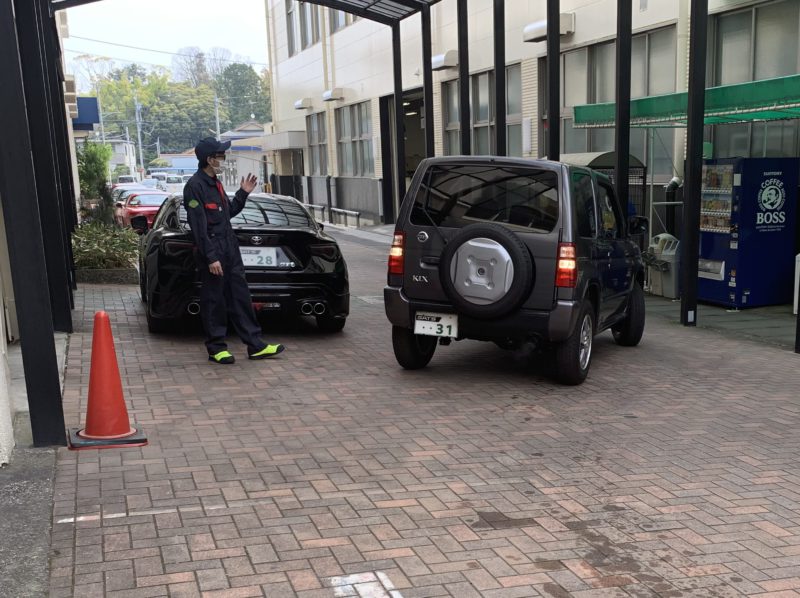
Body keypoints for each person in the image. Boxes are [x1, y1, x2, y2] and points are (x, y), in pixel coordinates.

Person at [183, 137, 285, 364]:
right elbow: (198, 227)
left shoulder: (216, 183)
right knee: (214, 300)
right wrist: (211, 257)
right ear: (210, 159)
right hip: (213, 252)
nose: (224, 158)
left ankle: (255, 345)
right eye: (221, 155)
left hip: (230, 248)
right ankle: (216, 348)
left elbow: (226, 213)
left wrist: (243, 193)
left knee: (241, 297)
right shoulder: (195, 186)